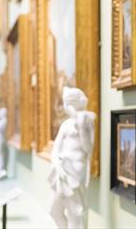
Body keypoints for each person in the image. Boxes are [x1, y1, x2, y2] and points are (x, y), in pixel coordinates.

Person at [48, 86, 95, 229]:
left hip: (76, 169)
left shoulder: (87, 121)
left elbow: (88, 148)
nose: (65, 106)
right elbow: (56, 148)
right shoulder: (65, 125)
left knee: (76, 212)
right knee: (54, 209)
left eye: (67, 103)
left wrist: (80, 126)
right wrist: (56, 163)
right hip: (61, 169)